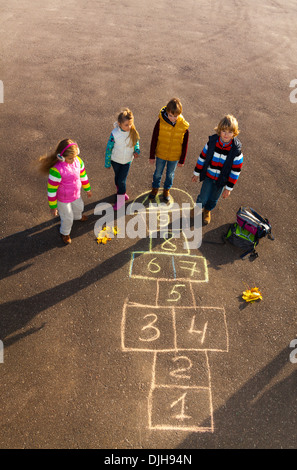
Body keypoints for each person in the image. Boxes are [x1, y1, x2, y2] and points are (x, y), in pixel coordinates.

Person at [191, 114, 243, 225]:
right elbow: (202, 157)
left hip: (221, 180)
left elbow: (235, 171)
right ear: (219, 130)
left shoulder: (235, 151)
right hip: (209, 176)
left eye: (230, 132)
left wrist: (228, 188)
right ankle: (197, 207)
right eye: (224, 131)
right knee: (203, 196)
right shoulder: (212, 143)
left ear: (234, 133)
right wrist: (196, 173)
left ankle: (207, 211)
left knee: (214, 198)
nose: (226, 134)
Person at [39, 139, 92, 244]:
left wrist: (87, 189)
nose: (73, 160)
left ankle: (78, 217)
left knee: (79, 207)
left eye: (75, 157)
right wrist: (53, 206)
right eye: (70, 158)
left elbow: (83, 175)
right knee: (67, 217)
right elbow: (51, 190)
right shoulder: (56, 170)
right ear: (61, 156)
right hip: (63, 199)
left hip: (76, 194)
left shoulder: (78, 161)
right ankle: (65, 232)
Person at [149, 97, 189, 202]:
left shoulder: (184, 126)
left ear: (180, 114)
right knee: (158, 173)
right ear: (167, 112)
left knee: (170, 174)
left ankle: (166, 190)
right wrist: (152, 155)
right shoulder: (160, 122)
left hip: (174, 156)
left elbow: (185, 144)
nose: (172, 118)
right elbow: (154, 138)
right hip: (161, 153)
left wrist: (182, 160)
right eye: (170, 115)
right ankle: (155, 188)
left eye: (176, 116)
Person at [105, 108, 140, 210]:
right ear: (119, 124)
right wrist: (107, 162)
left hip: (127, 161)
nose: (129, 127)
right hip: (115, 161)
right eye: (126, 125)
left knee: (122, 181)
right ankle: (121, 191)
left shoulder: (132, 132)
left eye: (130, 124)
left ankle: (120, 200)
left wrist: (136, 150)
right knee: (117, 178)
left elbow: (136, 142)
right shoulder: (115, 134)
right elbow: (109, 148)